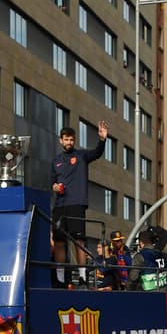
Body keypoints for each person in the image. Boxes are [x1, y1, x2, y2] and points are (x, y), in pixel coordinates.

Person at [50, 122, 109, 285]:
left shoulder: (82, 156)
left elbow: (97, 153)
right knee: (59, 241)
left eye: (71, 140)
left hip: (77, 204)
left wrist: (102, 140)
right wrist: (55, 186)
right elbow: (52, 182)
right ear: (61, 140)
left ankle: (82, 275)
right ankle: (60, 276)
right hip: (60, 206)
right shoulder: (55, 161)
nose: (69, 142)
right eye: (66, 139)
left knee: (79, 240)